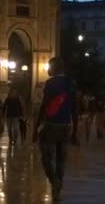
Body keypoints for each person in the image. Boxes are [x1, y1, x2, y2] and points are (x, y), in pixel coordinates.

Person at [33, 57, 79, 202]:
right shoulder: (71, 83)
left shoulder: (50, 83)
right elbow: (74, 109)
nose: (48, 69)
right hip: (66, 126)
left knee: (46, 157)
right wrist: (75, 131)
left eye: (49, 66)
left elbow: (44, 106)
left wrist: (35, 128)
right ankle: (58, 184)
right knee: (61, 158)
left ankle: (55, 182)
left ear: (55, 68)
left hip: (50, 124)